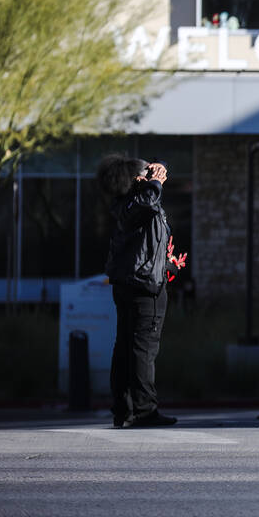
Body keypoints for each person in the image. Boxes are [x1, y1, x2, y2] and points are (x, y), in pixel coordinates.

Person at [97, 155, 187, 428]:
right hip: (143, 288)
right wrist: (154, 182)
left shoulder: (131, 206)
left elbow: (143, 246)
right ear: (138, 180)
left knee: (126, 347)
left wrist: (168, 263)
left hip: (134, 282)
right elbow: (146, 203)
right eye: (147, 173)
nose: (156, 175)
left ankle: (124, 410)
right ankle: (144, 411)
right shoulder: (138, 203)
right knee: (142, 349)